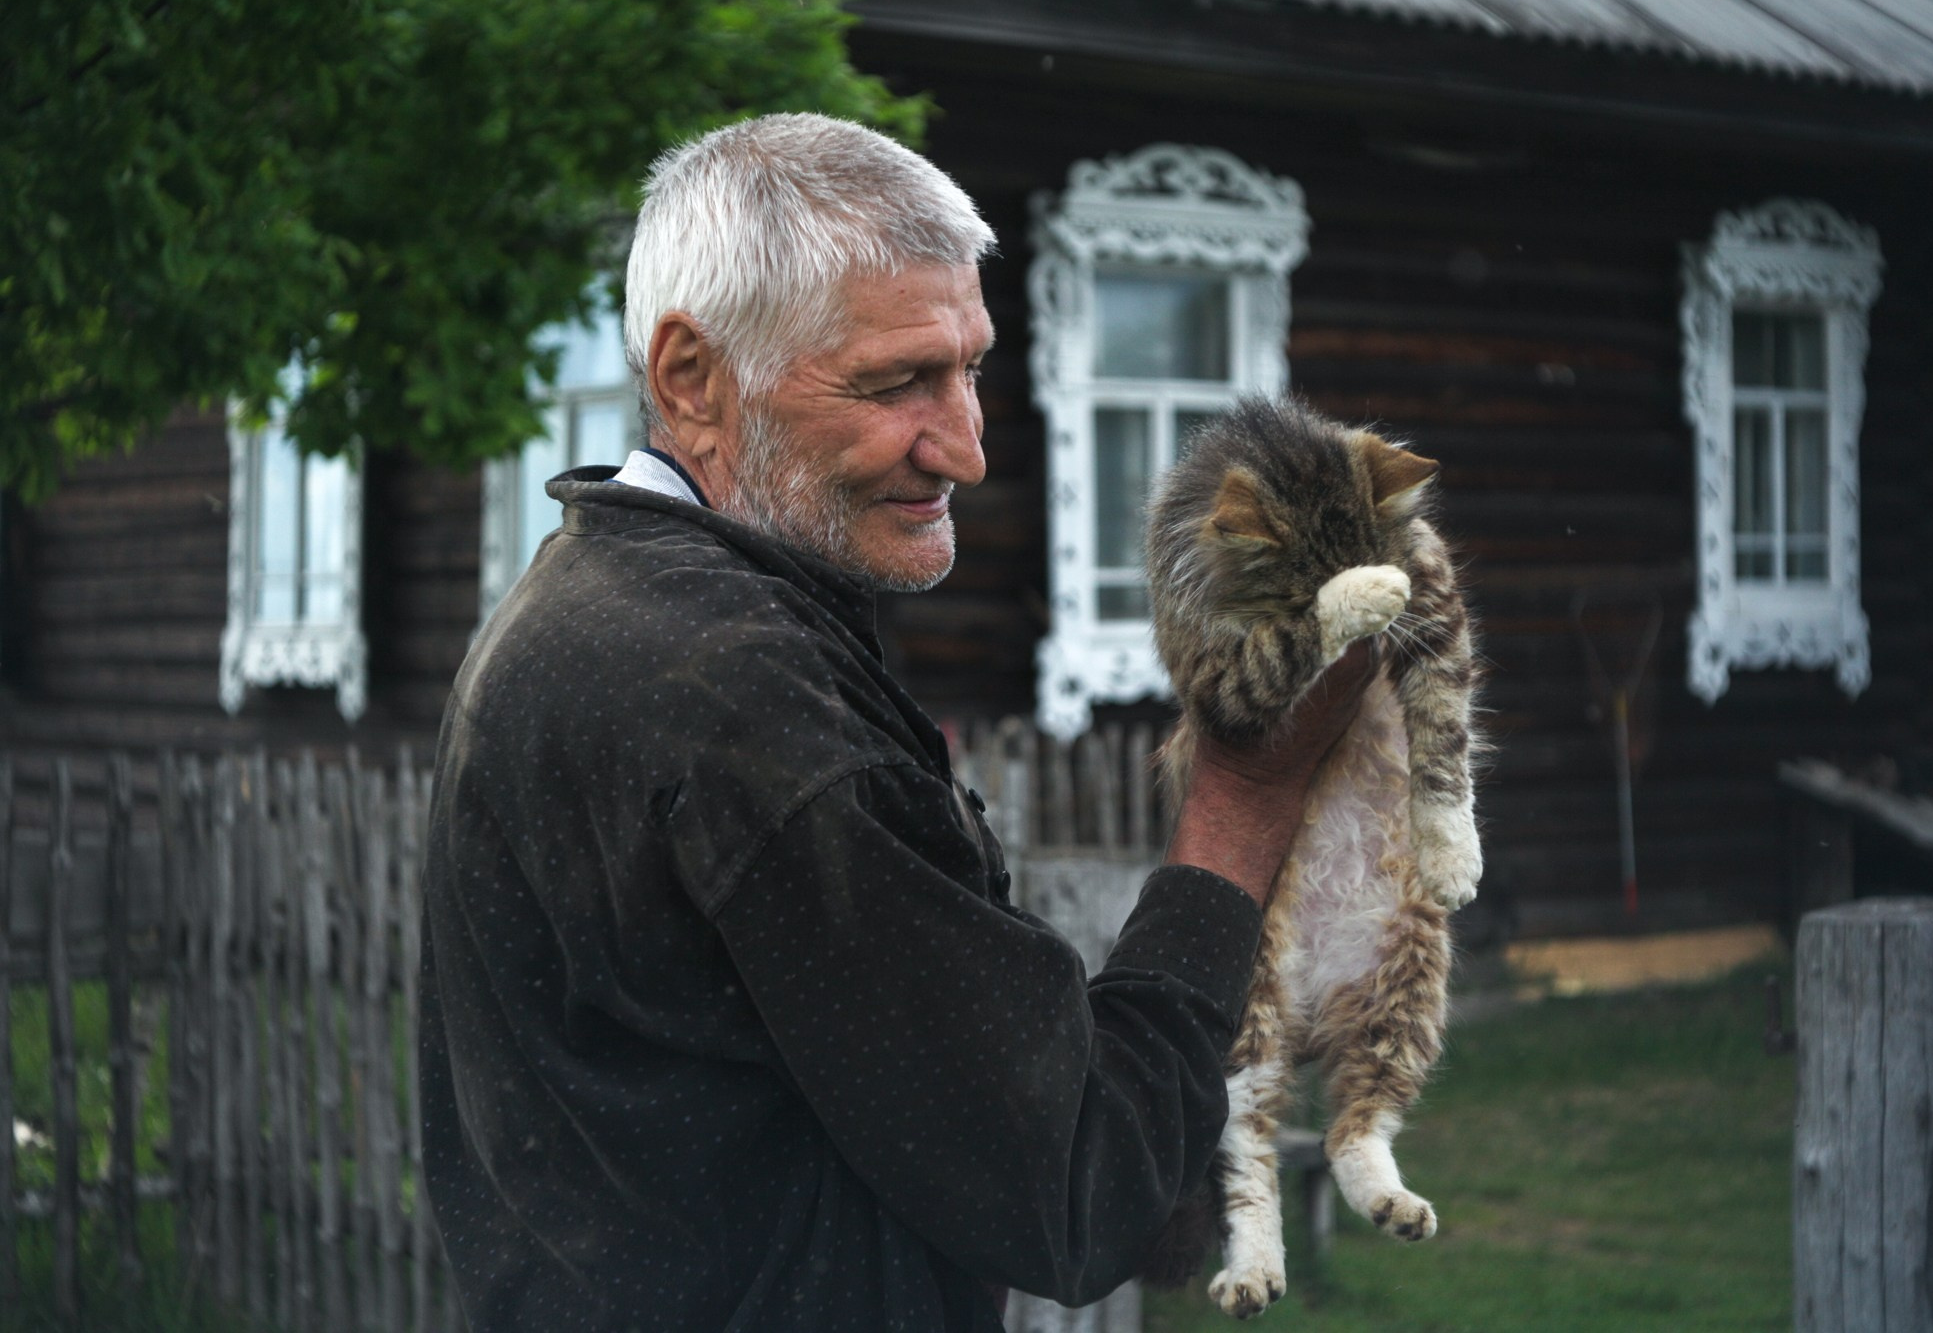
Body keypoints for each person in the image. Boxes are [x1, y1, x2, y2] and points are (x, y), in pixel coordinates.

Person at [418, 113, 1376, 1332]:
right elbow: (1076, 1189)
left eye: (968, 366)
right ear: (689, 379)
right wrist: (1245, 798)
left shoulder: (583, 599)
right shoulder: (733, 699)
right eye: (896, 382)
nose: (967, 449)